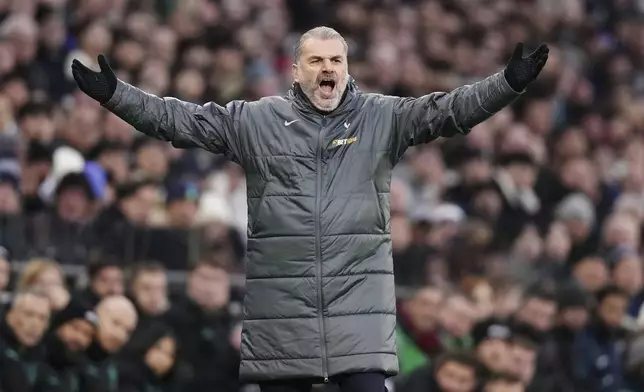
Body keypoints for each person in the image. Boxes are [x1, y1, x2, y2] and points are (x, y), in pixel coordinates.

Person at [71, 26, 549, 391]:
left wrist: (506, 84)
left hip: (358, 303)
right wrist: (117, 96)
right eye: (316, 59)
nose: (328, 68)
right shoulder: (255, 120)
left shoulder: (383, 117)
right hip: (282, 307)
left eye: (336, 60)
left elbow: (450, 111)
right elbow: (180, 120)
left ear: (347, 67)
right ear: (295, 70)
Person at [0, 289, 62, 392]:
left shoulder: (46, 360)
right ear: (10, 315)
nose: (35, 324)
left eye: (42, 318)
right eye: (29, 314)